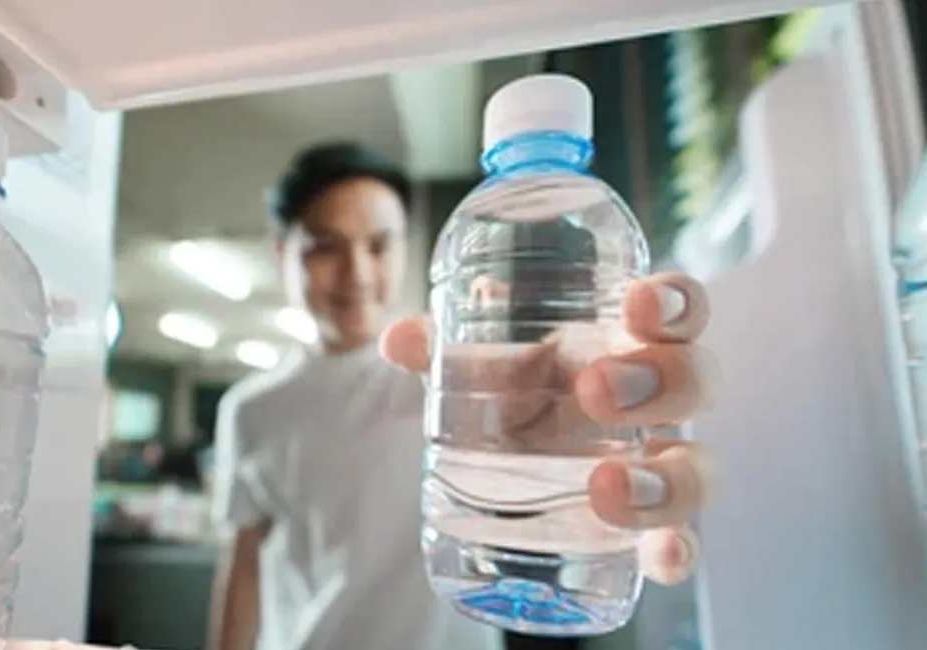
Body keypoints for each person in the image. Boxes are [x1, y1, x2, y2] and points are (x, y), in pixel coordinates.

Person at [207, 142, 714, 650]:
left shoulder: (451, 373)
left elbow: (535, 398)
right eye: (326, 247)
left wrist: (604, 407)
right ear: (283, 253)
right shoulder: (250, 410)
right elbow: (244, 567)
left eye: (379, 245)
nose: (357, 273)